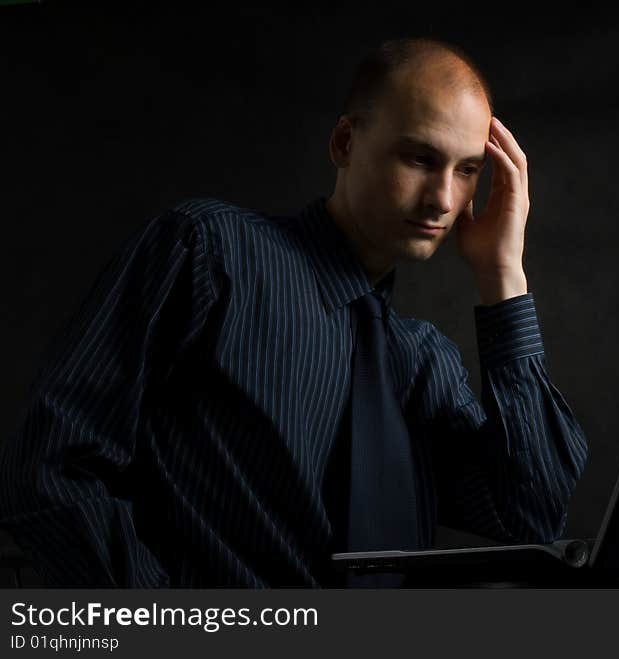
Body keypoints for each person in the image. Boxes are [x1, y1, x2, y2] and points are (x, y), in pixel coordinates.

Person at [0, 37, 588, 587]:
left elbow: (531, 517)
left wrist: (503, 276)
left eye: (466, 170)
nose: (442, 198)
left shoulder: (423, 363)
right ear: (344, 144)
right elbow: (53, 468)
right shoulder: (209, 253)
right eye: (418, 158)